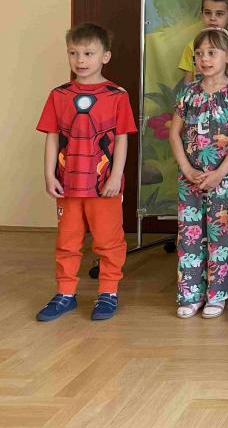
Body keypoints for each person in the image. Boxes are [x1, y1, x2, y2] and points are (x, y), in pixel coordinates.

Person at [36, 23, 137, 322]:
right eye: (74, 53)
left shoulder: (117, 95)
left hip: (104, 185)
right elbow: (52, 136)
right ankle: (65, 293)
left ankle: (108, 293)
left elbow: (122, 138)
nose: (80, 60)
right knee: (67, 241)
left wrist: (116, 176)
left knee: (108, 240)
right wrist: (49, 175)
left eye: (88, 53)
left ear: (105, 56)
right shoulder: (59, 95)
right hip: (67, 184)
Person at [168, 28, 228, 319]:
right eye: (199, 54)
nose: (204, 59)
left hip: (224, 179)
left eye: (212, 53)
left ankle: (216, 295)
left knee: (220, 236)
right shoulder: (188, 92)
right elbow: (174, 134)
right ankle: (190, 295)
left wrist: (220, 172)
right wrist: (187, 168)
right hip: (189, 178)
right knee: (189, 235)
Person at [177, 0, 228, 84]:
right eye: (208, 13)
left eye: (219, 14)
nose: (212, 18)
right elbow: (188, 82)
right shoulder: (192, 46)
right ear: (201, 16)